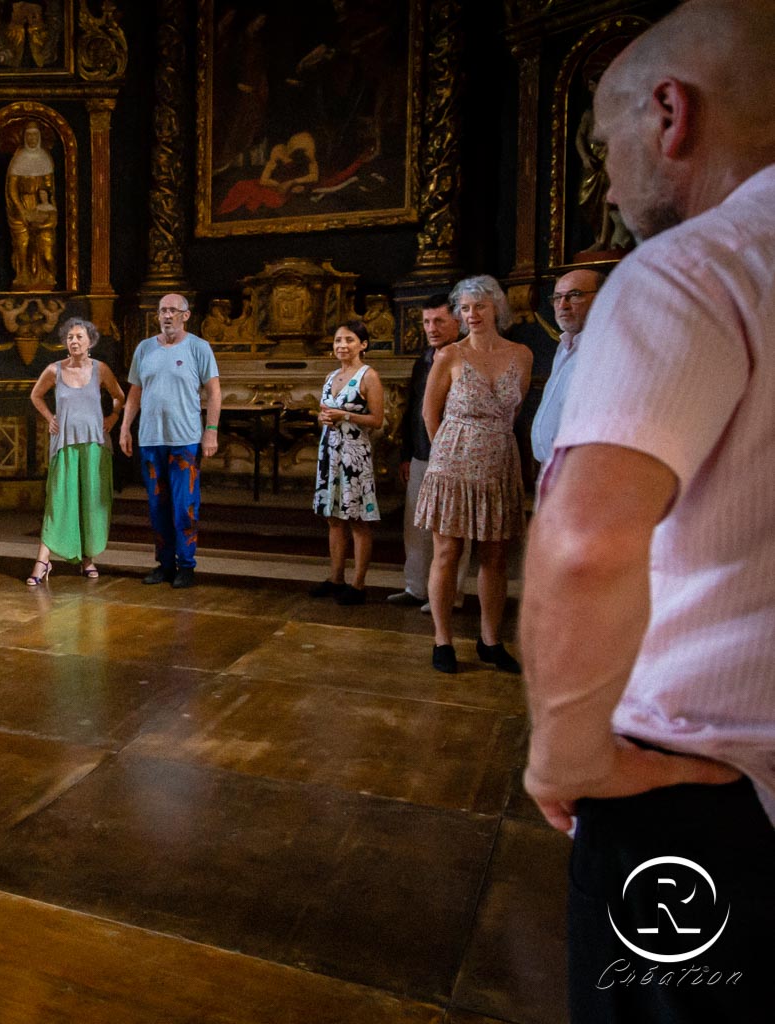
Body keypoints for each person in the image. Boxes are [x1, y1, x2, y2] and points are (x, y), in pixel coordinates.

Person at [521, 3, 775, 1019]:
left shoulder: (693, 269)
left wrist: (568, 749)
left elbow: (587, 540)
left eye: (604, 143)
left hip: (695, 790)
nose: (609, 178)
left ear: (671, 113)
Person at [412, 276, 532, 674]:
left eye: (478, 306)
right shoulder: (450, 355)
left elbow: (513, 412)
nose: (471, 314)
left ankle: (491, 640)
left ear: (496, 306)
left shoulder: (522, 354)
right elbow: (430, 414)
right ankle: (443, 639)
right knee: (448, 552)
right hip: (453, 464)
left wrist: (490, 441)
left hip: (500, 462)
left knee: (495, 556)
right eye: (464, 308)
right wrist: (449, 452)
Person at [118, 293, 222, 589]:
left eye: (173, 310)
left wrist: (211, 430)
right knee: (156, 506)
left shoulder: (199, 348)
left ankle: (186, 565)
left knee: (184, 506)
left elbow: (214, 392)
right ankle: (164, 563)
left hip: (185, 440)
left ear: (185, 315)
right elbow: (135, 393)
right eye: (162, 310)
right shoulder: (144, 348)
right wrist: (125, 428)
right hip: (151, 439)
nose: (166, 316)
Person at [26, 317, 123, 585]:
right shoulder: (54, 370)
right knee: (58, 503)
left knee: (90, 504)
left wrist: (113, 418)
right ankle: (42, 560)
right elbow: (35, 396)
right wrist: (49, 417)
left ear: (90, 342)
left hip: (95, 445)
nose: (74, 341)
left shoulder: (101, 369)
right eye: (70, 337)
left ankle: (88, 559)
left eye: (80, 337)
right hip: (65, 445)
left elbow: (119, 396)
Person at [388, 294, 470, 610]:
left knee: (453, 528)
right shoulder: (422, 360)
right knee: (416, 526)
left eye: (438, 321)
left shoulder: (466, 357)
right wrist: (407, 454)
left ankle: (451, 594)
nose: (431, 328)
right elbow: (414, 411)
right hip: (422, 454)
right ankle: (416, 588)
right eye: (426, 322)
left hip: (454, 456)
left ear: (457, 322)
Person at [309, 320, 385, 605]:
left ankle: (358, 583)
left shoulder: (369, 377)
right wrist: (324, 417)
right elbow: (323, 411)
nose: (342, 345)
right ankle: (335, 577)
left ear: (363, 345)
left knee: (356, 519)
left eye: (349, 340)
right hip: (329, 451)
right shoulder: (331, 376)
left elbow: (377, 420)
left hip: (354, 454)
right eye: (338, 340)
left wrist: (345, 416)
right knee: (333, 518)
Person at [528, 268, 603, 474]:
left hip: (582, 473)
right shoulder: (564, 346)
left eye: (575, 295)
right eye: (558, 297)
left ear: (602, 298)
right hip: (551, 470)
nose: (563, 305)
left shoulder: (609, 349)